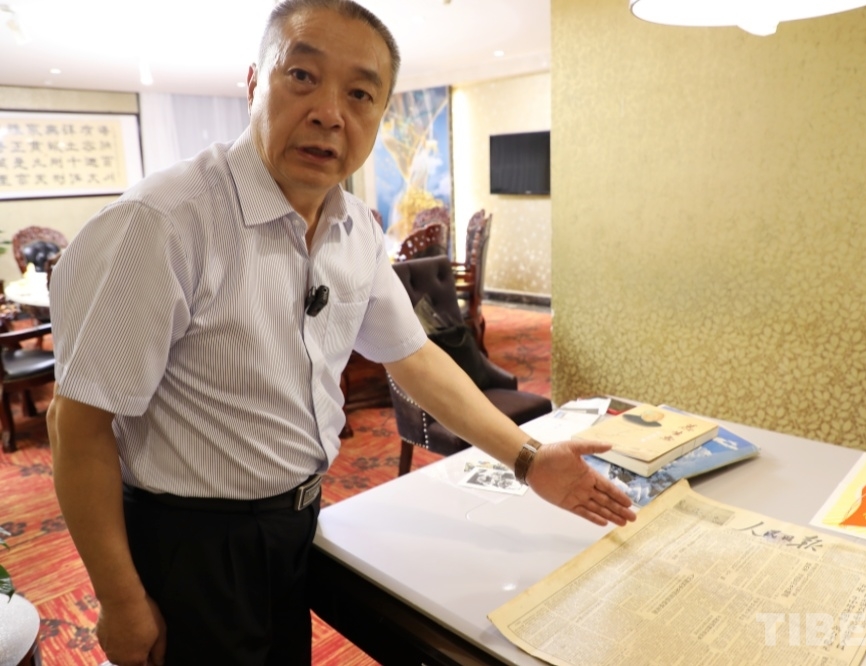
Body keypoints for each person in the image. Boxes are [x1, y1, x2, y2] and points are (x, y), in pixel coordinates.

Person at [46, 1, 637, 664]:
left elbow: (414, 359)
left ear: (379, 114)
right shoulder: (163, 221)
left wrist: (528, 459)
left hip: (298, 524)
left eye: (360, 93)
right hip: (191, 542)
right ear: (254, 83)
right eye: (302, 76)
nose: (330, 113)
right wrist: (120, 600)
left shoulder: (354, 228)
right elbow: (77, 425)